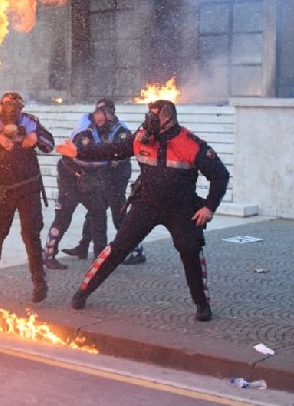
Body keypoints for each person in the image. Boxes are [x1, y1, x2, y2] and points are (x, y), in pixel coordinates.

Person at [56, 100, 230, 322]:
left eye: (154, 117)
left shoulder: (190, 143)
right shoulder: (141, 137)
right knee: (117, 248)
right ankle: (83, 292)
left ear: (169, 119)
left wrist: (209, 207)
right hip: (145, 204)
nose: (149, 121)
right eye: (148, 115)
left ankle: (202, 304)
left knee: (190, 249)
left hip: (180, 208)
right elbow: (113, 150)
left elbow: (220, 175)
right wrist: (80, 150)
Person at [0, 92, 55, 304]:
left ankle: (39, 283)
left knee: (31, 235)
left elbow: (49, 145)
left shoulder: (31, 122)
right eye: (7, 106)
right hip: (1, 190)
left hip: (27, 187)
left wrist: (36, 138)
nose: (12, 110)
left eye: (16, 106)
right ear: (0, 106)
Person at [61, 99, 147, 265]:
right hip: (103, 176)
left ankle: (136, 250)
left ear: (110, 114)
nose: (98, 117)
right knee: (95, 211)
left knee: (118, 213)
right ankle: (84, 245)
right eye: (97, 113)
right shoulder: (96, 128)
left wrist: (104, 159)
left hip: (117, 177)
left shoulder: (122, 130)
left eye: (102, 113)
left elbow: (121, 153)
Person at [42, 104, 117, 269]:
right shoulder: (86, 133)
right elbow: (85, 158)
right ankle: (48, 254)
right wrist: (108, 160)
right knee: (63, 217)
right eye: (102, 114)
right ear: (96, 115)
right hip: (70, 178)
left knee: (99, 214)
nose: (105, 118)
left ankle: (100, 257)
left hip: (88, 179)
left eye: (108, 115)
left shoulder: (103, 129)